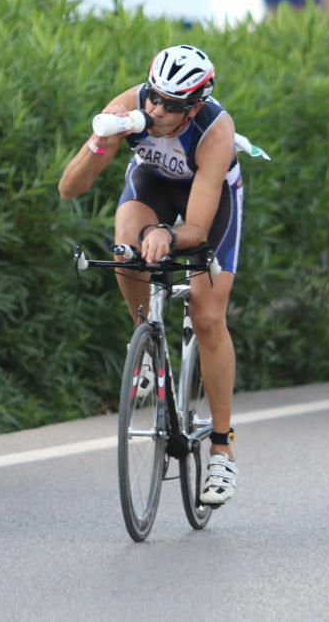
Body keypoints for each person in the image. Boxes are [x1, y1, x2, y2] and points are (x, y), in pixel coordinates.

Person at [59, 44, 242, 505]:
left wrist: (166, 233)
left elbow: (197, 228)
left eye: (170, 106)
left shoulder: (214, 130)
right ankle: (145, 338)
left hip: (209, 198)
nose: (156, 110)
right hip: (153, 184)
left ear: (194, 106)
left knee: (207, 315)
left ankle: (222, 448)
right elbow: (69, 188)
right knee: (126, 248)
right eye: (153, 97)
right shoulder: (130, 105)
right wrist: (103, 140)